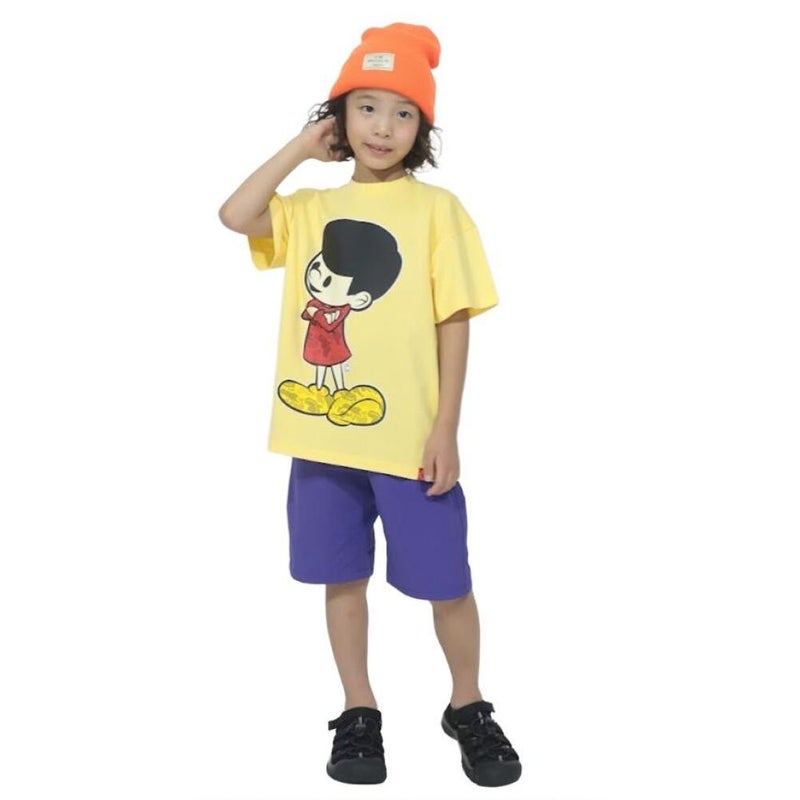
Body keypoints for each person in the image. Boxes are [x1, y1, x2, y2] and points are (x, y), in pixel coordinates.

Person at [218, 22, 521, 788]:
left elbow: (454, 321)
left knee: (447, 582)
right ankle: (359, 709)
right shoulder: (311, 208)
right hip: (323, 442)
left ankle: (467, 703)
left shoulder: (438, 211)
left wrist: (447, 427)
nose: (383, 127)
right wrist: (300, 148)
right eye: (367, 107)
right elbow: (235, 214)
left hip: (412, 444)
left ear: (423, 128)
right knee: (341, 578)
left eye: (403, 113)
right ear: (340, 116)